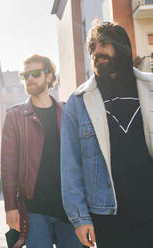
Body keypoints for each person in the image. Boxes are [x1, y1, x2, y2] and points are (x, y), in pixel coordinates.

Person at [61, 20, 153, 248]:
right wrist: (79, 218)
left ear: (121, 46)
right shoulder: (78, 102)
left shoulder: (150, 88)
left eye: (104, 44)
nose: (96, 51)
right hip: (108, 215)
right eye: (92, 46)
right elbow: (70, 166)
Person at [1, 54, 83, 248]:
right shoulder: (15, 116)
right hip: (33, 210)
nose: (29, 79)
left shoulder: (67, 112)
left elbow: (80, 159)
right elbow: (8, 165)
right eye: (25, 75)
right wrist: (11, 206)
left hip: (68, 210)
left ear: (49, 76)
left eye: (35, 74)